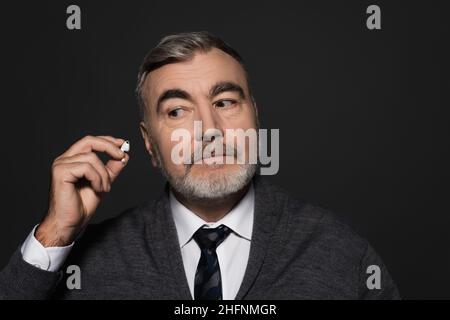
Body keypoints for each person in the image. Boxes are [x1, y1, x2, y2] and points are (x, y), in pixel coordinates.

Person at [0, 31, 399, 299]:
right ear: (149, 144)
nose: (210, 130)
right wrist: (54, 235)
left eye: (225, 102)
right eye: (177, 111)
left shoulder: (340, 252)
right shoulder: (90, 265)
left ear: (255, 119)